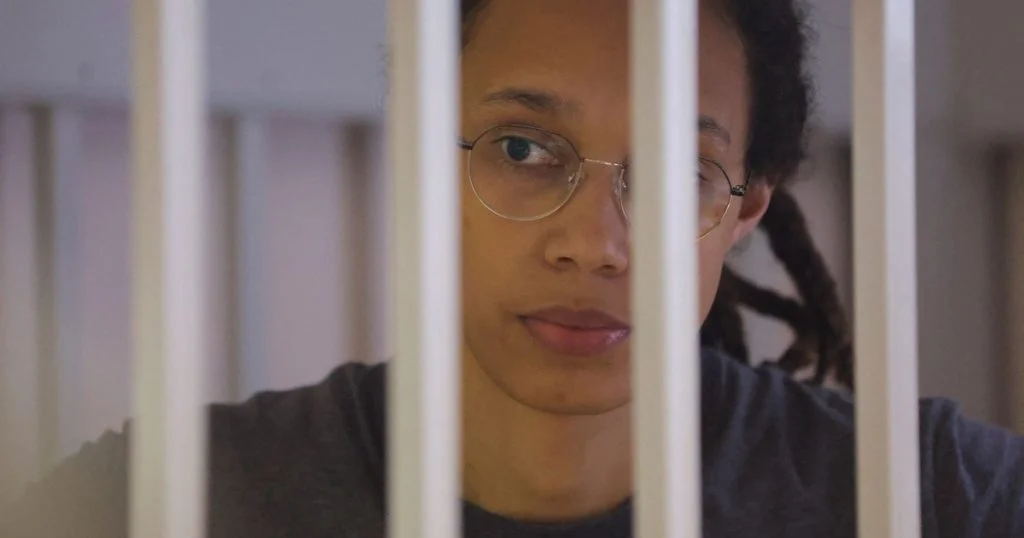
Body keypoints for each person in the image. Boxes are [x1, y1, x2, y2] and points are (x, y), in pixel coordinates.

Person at [3, 0, 1022, 536]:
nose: (595, 243)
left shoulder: (936, 499)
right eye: (523, 149)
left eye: (680, 172)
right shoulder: (156, 505)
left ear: (743, 210)